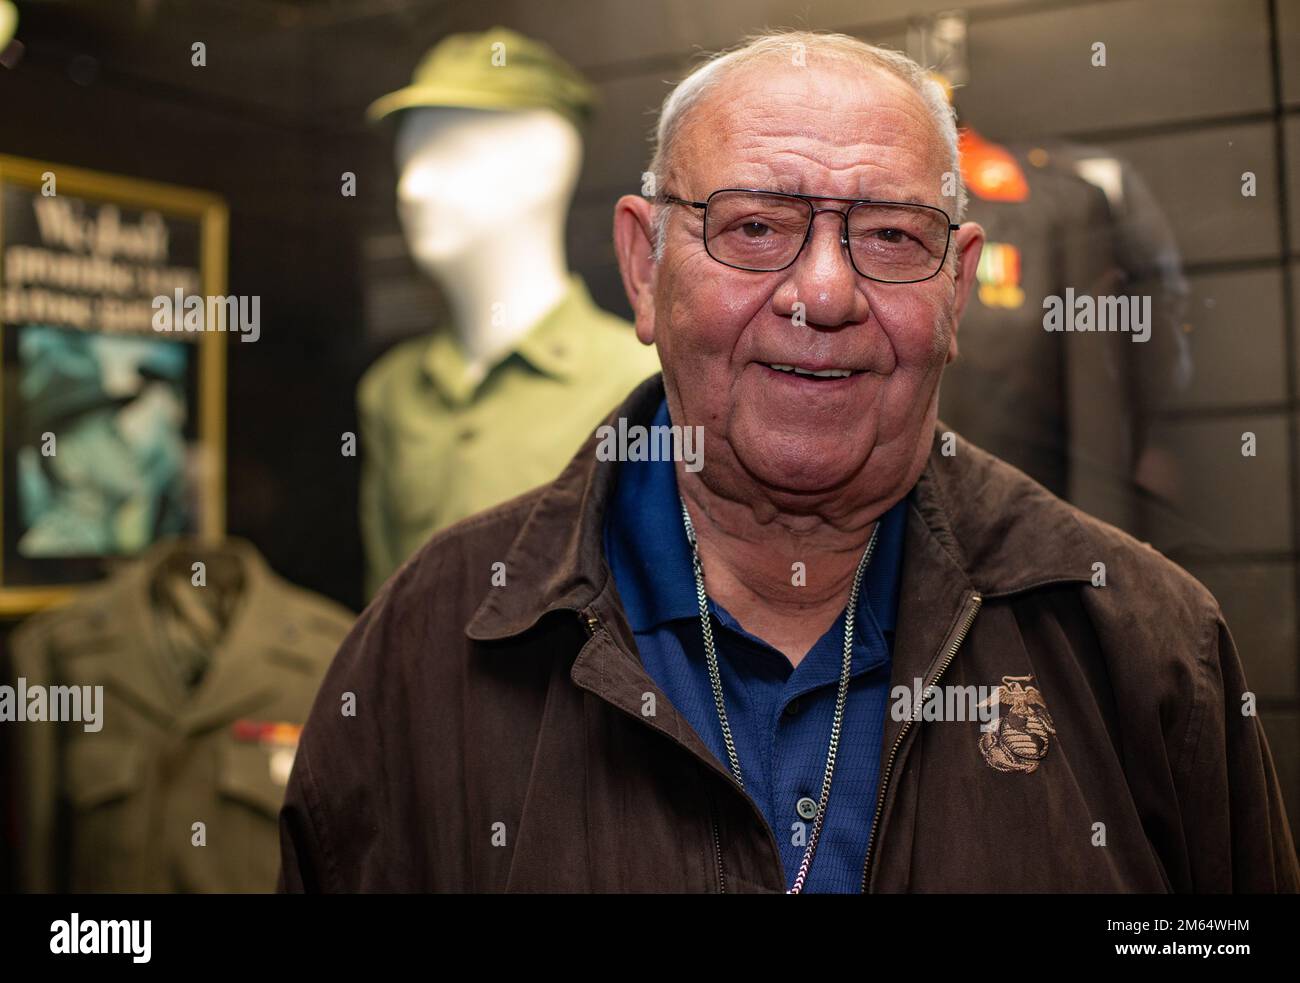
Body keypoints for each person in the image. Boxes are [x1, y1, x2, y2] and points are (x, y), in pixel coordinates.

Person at [279, 31, 1298, 893]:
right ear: (645, 267)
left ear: (955, 288)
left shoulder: (1136, 642)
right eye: (755, 227)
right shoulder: (431, 646)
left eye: (891, 235)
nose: (822, 291)